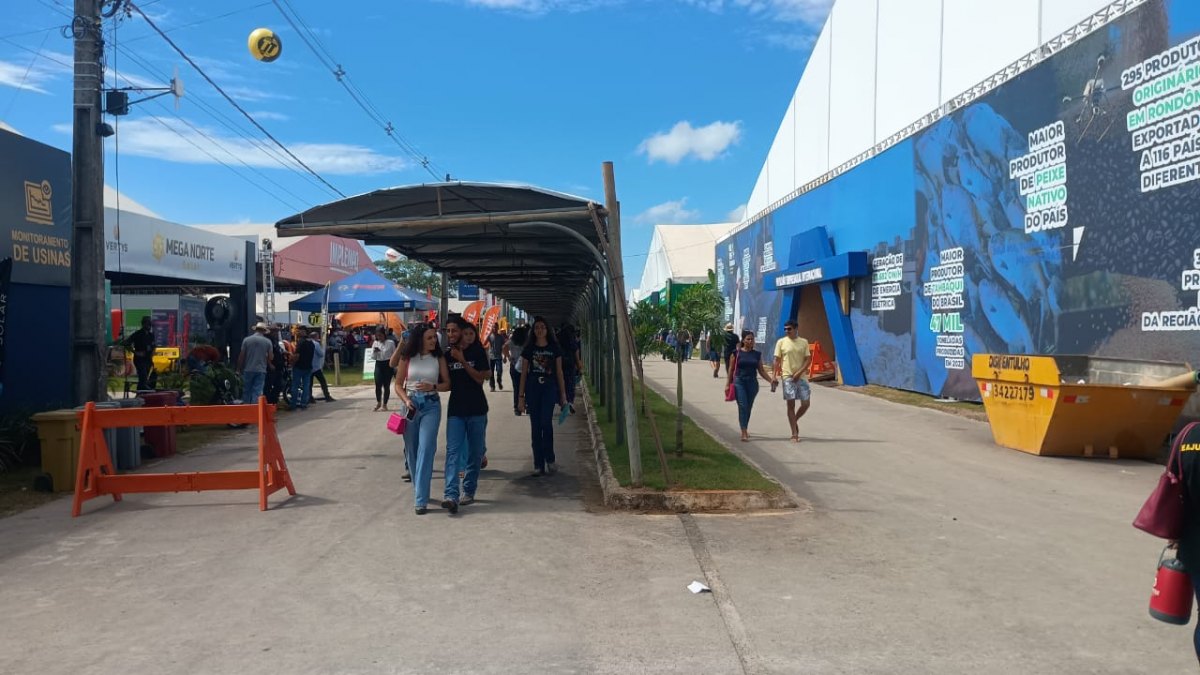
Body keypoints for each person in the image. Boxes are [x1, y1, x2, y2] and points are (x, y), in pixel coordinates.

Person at [391, 324, 450, 515]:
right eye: (430, 338)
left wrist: (433, 385)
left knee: (426, 448)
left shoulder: (438, 357)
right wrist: (407, 400)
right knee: (412, 451)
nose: (434, 341)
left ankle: (421, 499)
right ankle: (420, 489)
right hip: (411, 406)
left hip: (431, 405)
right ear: (420, 339)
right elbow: (398, 385)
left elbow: (447, 384)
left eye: (435, 337)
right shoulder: (407, 358)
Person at [442, 317, 490, 512]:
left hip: (477, 409)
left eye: (454, 331)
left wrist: (462, 361)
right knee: (453, 452)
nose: (451, 334)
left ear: (463, 331)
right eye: (448, 331)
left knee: (475, 452)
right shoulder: (446, 355)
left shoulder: (476, 351)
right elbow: (446, 384)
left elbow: (481, 379)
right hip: (456, 410)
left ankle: (468, 490)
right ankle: (451, 494)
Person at [518, 317, 568, 476]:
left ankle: (550, 459)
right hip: (533, 388)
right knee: (535, 425)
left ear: (547, 330)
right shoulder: (529, 349)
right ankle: (538, 464)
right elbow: (524, 373)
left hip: (549, 387)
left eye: (543, 327)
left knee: (546, 423)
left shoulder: (554, 348)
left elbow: (559, 372)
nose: (539, 330)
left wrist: (563, 395)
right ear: (533, 331)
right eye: (537, 327)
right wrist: (520, 396)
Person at [726, 330, 775, 442]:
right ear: (743, 340)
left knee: (748, 407)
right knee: (743, 406)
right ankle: (744, 432)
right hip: (739, 382)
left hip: (752, 383)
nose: (750, 341)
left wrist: (770, 380)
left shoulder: (757, 354)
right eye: (748, 339)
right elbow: (731, 369)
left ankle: (745, 428)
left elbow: (761, 370)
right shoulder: (736, 353)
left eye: (752, 339)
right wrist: (728, 384)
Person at [773, 320, 812, 443]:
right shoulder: (781, 342)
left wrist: (799, 372)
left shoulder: (803, 342)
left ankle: (794, 420)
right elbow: (777, 360)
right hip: (787, 377)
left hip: (801, 377)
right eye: (785, 329)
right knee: (791, 405)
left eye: (789, 329)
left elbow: (808, 360)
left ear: (795, 329)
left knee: (806, 403)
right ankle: (794, 433)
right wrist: (774, 376)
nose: (786, 331)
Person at [236, 322, 273, 404]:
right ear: (264, 331)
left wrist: (238, 369)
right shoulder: (267, 342)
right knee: (257, 391)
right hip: (261, 370)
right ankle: (255, 410)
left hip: (248, 369)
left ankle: (246, 409)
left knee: (246, 391)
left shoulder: (247, 340)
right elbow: (271, 357)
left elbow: (241, 356)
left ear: (256, 329)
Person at [122, 316, 157, 390]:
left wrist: (153, 353)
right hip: (139, 360)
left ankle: (141, 393)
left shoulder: (151, 335)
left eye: (150, 324)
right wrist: (135, 352)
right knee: (143, 376)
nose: (149, 326)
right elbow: (125, 343)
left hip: (148, 359)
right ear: (144, 324)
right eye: (148, 324)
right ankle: (142, 392)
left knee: (144, 379)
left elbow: (153, 346)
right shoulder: (137, 334)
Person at [504, 325, 530, 416]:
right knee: (527, 387)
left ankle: (517, 408)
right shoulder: (527, 342)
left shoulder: (512, 341)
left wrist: (509, 357)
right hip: (525, 367)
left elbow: (504, 347)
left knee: (516, 387)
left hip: (514, 366)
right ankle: (527, 406)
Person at [370, 328, 397, 411]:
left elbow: (394, 354)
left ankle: (385, 404)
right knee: (378, 384)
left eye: (380, 335)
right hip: (378, 364)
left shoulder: (390, 343)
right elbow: (372, 357)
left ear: (384, 334)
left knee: (386, 385)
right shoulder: (375, 343)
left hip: (388, 364)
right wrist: (375, 351)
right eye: (377, 336)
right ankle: (378, 402)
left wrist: (395, 367)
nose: (379, 337)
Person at [557, 324, 583, 409]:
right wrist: (579, 368)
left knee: (561, 384)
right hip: (571, 367)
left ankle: (562, 402)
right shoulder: (573, 344)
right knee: (570, 385)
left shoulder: (558, 342)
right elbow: (577, 357)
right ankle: (570, 402)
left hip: (560, 366)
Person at [291, 327, 315, 410]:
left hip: (299, 366)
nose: (298, 332)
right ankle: (303, 403)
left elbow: (297, 355)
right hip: (308, 366)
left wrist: (292, 363)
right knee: (306, 386)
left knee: (295, 386)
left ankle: (293, 404)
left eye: (299, 331)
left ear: (303, 332)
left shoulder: (300, 342)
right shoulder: (311, 343)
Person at [309, 329, 336, 402]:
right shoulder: (316, 344)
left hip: (309, 366)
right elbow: (321, 354)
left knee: (309, 383)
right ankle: (327, 396)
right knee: (323, 382)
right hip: (316, 367)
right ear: (316, 336)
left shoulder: (308, 343)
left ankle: (309, 397)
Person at [487, 326, 507, 392]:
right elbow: (484, 343)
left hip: (498, 356)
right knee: (491, 373)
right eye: (493, 328)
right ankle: (492, 386)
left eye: (495, 328)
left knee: (499, 370)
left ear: (497, 328)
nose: (494, 329)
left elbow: (504, 347)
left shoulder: (501, 337)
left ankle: (499, 381)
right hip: (491, 356)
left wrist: (505, 357)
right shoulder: (489, 336)